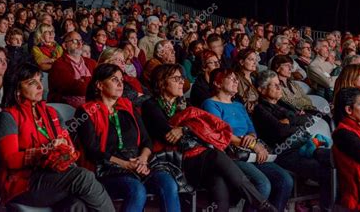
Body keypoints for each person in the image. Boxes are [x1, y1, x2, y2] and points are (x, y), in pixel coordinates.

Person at [141, 64, 277, 212]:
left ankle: (261, 204)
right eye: (176, 78)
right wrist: (189, 128)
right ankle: (262, 204)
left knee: (218, 178)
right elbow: (169, 135)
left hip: (194, 158)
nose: (182, 81)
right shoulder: (151, 105)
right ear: (162, 82)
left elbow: (204, 129)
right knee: (215, 156)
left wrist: (186, 128)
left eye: (182, 77)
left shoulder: (184, 104)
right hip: (170, 161)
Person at [0, 63, 114, 210]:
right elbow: (10, 160)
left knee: (76, 205)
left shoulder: (51, 113)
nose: (39, 86)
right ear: (17, 89)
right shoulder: (8, 116)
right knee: (83, 176)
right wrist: (44, 151)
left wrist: (65, 148)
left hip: (54, 175)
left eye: (40, 80)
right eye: (31, 83)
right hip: (24, 183)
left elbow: (70, 148)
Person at [75, 63, 180, 212]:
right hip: (107, 169)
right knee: (136, 189)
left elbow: (146, 141)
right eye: (114, 80)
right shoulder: (86, 112)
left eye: (121, 80)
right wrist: (125, 165)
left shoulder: (128, 106)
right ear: (99, 85)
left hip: (138, 164)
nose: (120, 84)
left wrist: (142, 160)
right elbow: (93, 151)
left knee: (168, 184)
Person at [201, 68, 293, 211]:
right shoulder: (210, 104)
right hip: (230, 154)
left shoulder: (238, 105)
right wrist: (253, 145)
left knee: (285, 179)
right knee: (263, 184)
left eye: (236, 79)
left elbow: (251, 129)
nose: (236, 82)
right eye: (231, 79)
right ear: (218, 83)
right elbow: (220, 133)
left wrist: (253, 141)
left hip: (250, 150)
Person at [252, 70, 332, 212]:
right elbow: (280, 131)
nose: (279, 88)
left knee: (333, 160)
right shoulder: (260, 109)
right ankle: (326, 208)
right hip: (284, 152)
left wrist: (289, 120)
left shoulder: (283, 103)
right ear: (262, 90)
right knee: (324, 171)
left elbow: (308, 119)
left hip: (304, 145)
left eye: (279, 85)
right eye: (275, 85)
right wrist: (295, 121)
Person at [48, 31, 96, 107]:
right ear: (64, 45)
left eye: (80, 41)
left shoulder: (92, 63)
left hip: (92, 104)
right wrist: (92, 82)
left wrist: (83, 80)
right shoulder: (59, 64)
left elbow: (101, 83)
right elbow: (78, 89)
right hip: (67, 108)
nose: (79, 44)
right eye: (74, 41)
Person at [233, 49, 259, 113]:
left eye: (256, 60)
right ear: (241, 62)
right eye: (251, 59)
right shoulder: (236, 78)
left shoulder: (254, 78)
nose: (255, 63)